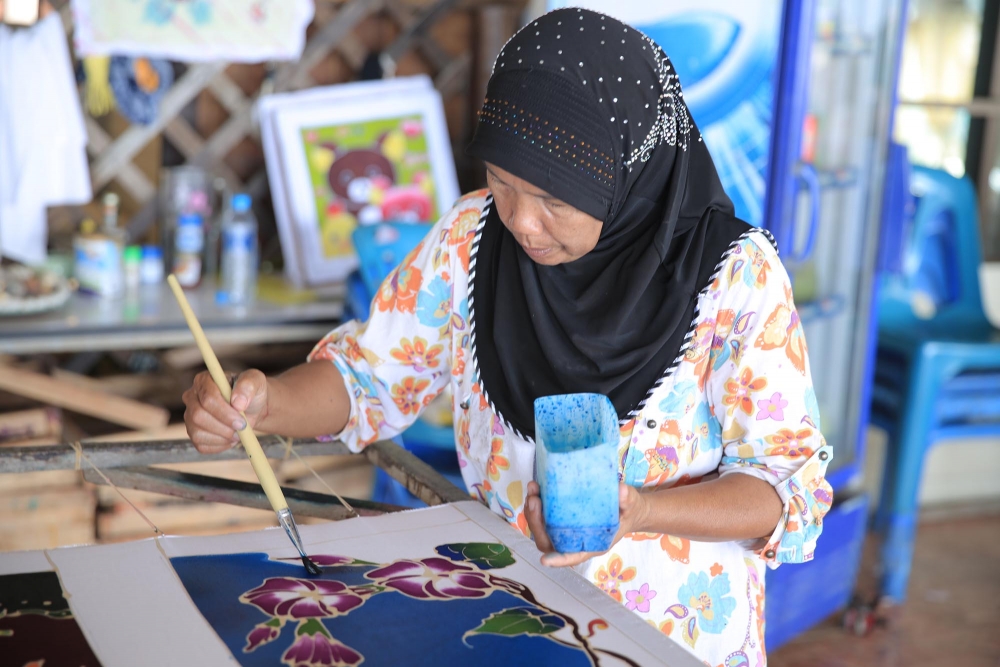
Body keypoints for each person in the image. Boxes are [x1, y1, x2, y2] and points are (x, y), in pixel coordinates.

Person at [183, 8, 833, 665]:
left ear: (627, 174)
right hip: (509, 626)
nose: (522, 221)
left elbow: (782, 487)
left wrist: (639, 511)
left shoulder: (735, 277)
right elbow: (366, 376)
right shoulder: (471, 239)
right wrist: (266, 403)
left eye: (555, 200)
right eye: (502, 182)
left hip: (672, 643)